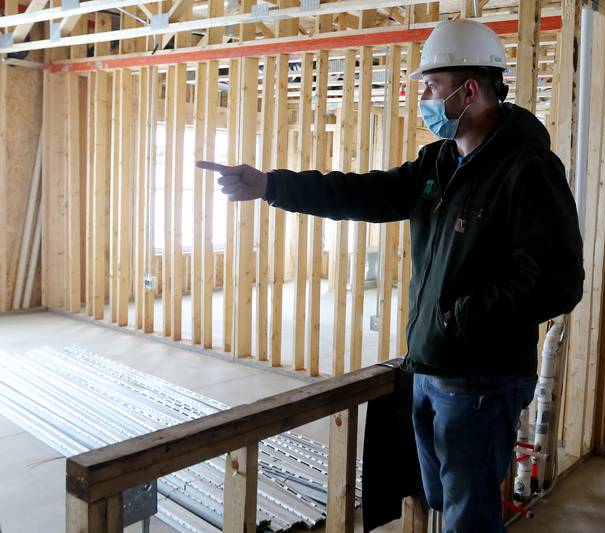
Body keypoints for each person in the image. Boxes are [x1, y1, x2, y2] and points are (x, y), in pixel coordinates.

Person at [198, 18, 583, 533]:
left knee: (469, 517)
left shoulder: (527, 168)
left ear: (469, 91)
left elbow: (558, 280)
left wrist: (459, 320)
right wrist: (271, 184)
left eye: (431, 85)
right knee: (437, 503)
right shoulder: (440, 161)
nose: (422, 96)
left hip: (480, 383)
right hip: (427, 371)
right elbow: (363, 193)